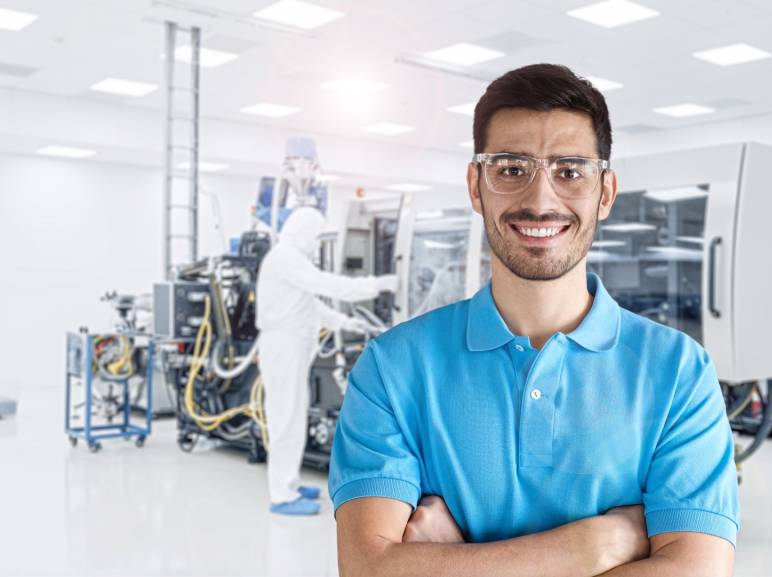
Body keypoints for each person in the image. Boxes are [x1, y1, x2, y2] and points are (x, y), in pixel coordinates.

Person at [330, 64, 739, 575]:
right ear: (476, 186)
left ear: (605, 193)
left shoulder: (679, 372)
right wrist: (590, 547)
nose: (541, 201)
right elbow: (368, 570)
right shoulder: (393, 369)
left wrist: (452, 563)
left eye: (569, 171)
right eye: (510, 168)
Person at [257, 206, 396, 516]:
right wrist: (378, 284)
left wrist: (347, 324)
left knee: (293, 416)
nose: (317, 243)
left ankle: (289, 483)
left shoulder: (291, 260)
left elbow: (310, 305)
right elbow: (330, 286)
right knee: (285, 419)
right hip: (284, 348)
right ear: (303, 232)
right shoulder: (285, 258)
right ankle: (281, 495)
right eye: (316, 236)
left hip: (292, 347)